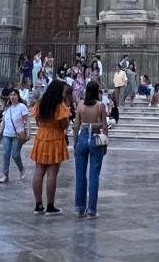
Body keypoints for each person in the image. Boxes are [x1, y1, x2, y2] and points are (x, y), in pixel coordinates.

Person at [31, 79, 72, 215]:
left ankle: (38, 204)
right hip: (54, 138)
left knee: (39, 171)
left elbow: (37, 121)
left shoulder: (40, 104)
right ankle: (50, 205)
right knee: (52, 174)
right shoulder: (59, 106)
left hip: (41, 137)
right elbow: (64, 125)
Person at [74, 80, 109, 218]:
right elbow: (105, 126)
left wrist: (75, 142)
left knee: (80, 174)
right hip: (95, 136)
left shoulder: (80, 105)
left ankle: (79, 207)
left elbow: (76, 125)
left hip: (82, 135)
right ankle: (92, 210)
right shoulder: (100, 106)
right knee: (94, 175)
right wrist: (105, 143)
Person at [0, 88, 30, 183]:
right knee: (6, 154)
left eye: (14, 95)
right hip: (7, 134)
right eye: (11, 95)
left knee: (15, 155)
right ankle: (5, 175)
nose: (12, 97)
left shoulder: (22, 107)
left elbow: (27, 120)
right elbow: (3, 122)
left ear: (18, 96)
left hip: (18, 135)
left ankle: (21, 169)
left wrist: (28, 132)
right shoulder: (7, 108)